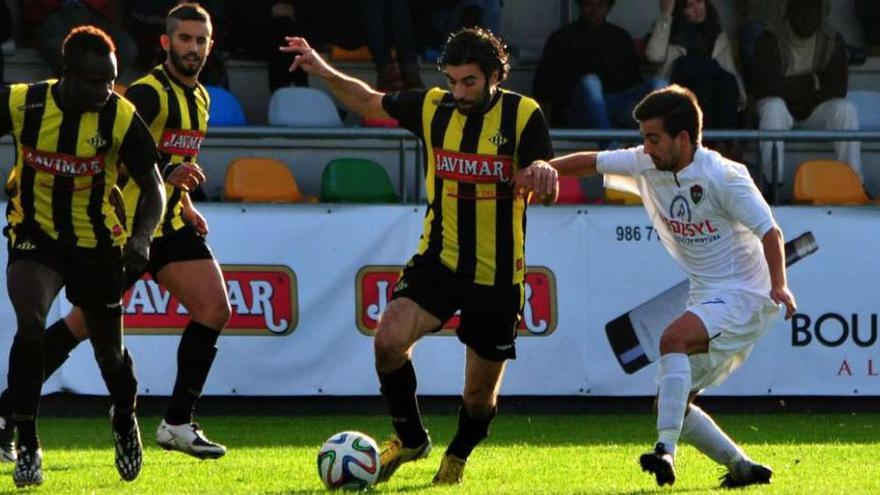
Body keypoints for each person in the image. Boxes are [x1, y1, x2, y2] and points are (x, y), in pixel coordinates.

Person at [280, 27, 556, 484]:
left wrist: (542, 172)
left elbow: (538, 179)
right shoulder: (433, 107)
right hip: (439, 259)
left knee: (478, 395)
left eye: (469, 82)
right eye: (452, 80)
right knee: (388, 340)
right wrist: (321, 67)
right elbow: (370, 101)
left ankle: (459, 454)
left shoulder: (523, 114)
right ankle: (410, 438)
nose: (459, 91)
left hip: (497, 273)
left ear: (493, 76)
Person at [516, 85, 796, 488]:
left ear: (682, 138)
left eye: (653, 138)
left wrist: (780, 285)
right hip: (709, 295)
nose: (645, 148)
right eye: (643, 138)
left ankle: (665, 450)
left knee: (671, 338)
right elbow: (591, 162)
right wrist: (541, 169)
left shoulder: (724, 177)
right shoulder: (646, 162)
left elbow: (770, 231)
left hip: (746, 293)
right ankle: (741, 468)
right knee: (672, 402)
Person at [0, 3, 230, 463]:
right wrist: (168, 178)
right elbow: (130, 158)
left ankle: (178, 422)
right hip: (118, 228)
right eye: (184, 39)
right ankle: (11, 414)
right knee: (81, 329)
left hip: (166, 225)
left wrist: (183, 202)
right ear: (165, 43)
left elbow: (166, 169)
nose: (193, 48)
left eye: (200, 40)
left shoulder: (201, 98)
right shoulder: (143, 96)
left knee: (215, 308)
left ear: (210, 45)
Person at [0, 26, 166, 486]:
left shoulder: (120, 115)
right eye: (95, 81)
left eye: (111, 80)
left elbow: (153, 187)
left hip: (97, 241)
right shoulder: (23, 103)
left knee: (111, 356)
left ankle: (124, 418)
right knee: (31, 325)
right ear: (66, 74)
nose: (105, 91)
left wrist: (142, 237)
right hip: (35, 232)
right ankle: (27, 440)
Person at [752, 0, 861, 190]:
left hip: (813, 110)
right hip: (783, 108)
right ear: (789, 11)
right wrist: (811, 83)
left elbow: (837, 89)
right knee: (773, 107)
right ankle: (771, 186)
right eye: (801, 8)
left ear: (821, 13)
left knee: (846, 110)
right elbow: (764, 85)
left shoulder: (832, 40)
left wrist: (792, 88)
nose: (806, 15)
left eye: (812, 9)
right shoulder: (770, 37)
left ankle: (854, 183)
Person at [533, 0, 665, 129]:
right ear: (580, 6)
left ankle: (663, 143)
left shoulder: (620, 38)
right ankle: (609, 146)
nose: (594, 11)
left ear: (609, 7)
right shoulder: (561, 39)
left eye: (600, 5)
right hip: (577, 110)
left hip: (616, 107)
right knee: (591, 83)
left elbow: (634, 82)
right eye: (589, 5)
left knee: (658, 84)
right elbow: (541, 89)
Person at [645, 0, 745, 132]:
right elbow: (654, 56)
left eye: (699, 2)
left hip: (714, 98)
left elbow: (730, 75)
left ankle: (724, 140)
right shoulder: (669, 31)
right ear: (680, 11)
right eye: (689, 6)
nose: (697, 9)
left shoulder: (718, 36)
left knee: (718, 78)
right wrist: (666, 15)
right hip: (678, 95)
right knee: (691, 66)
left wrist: (741, 100)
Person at [24, 0, 139, 78]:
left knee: (127, 47)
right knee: (60, 49)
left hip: (93, 12)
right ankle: (75, 92)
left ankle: (100, 89)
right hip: (56, 12)